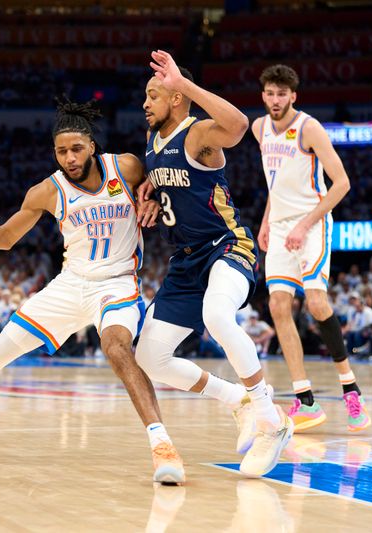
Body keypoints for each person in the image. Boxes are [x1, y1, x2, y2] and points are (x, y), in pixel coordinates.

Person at [0, 99, 189, 484]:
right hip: (70, 285)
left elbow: (167, 175)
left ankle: (162, 446)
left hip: (117, 282)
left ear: (92, 146)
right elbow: (5, 238)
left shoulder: (127, 167)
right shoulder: (46, 191)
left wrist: (149, 194)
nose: (69, 157)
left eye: (76, 149)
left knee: (117, 347)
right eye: (61, 151)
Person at [135, 50, 292, 478]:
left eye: (154, 94)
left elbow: (239, 126)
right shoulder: (154, 142)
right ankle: (235, 400)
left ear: (177, 98)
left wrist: (183, 82)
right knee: (149, 356)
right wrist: (148, 189)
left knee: (217, 315)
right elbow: (166, 176)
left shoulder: (198, 133)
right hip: (186, 261)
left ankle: (270, 420)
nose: (145, 103)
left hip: (228, 245)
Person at [253, 64, 371, 432]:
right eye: (270, 93)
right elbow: (276, 185)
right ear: (263, 95)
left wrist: (304, 225)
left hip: (313, 222)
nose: (275, 100)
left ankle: (351, 390)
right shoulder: (259, 129)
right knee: (277, 304)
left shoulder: (308, 128)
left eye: (282, 94)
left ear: (293, 96)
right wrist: (265, 221)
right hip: (280, 225)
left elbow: (342, 184)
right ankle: (305, 401)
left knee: (317, 302)